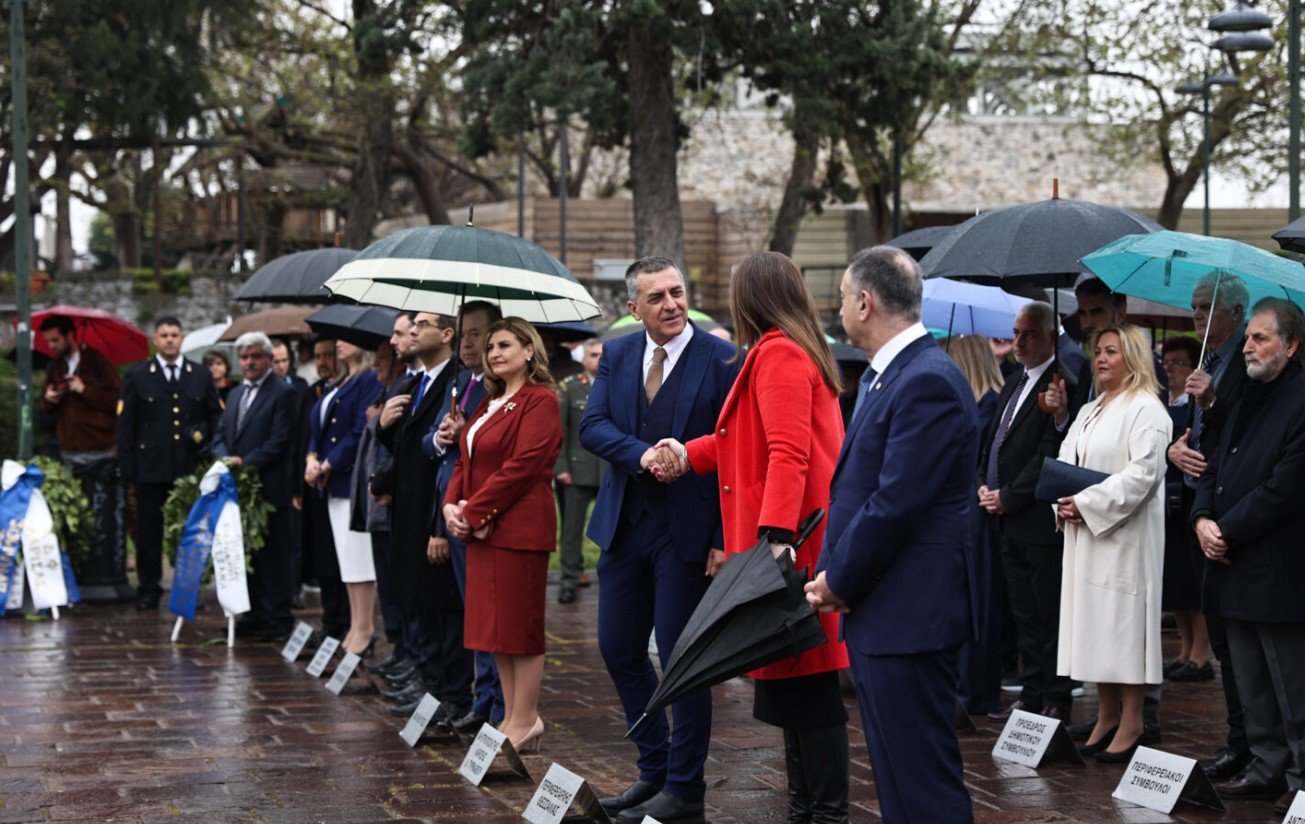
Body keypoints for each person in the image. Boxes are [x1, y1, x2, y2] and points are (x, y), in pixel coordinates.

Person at [656, 251, 851, 823]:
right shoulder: (777, 350)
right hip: (784, 542)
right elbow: (742, 439)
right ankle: (805, 809)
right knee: (793, 686)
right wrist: (686, 454)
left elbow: (789, 452)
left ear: (752, 298)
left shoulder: (782, 354)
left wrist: (774, 537)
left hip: (788, 546)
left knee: (809, 688)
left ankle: (826, 813)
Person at [805, 246, 976, 824]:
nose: (839, 311)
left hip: (909, 611)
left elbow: (895, 503)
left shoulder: (927, 380)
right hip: (884, 609)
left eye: (843, 297)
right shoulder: (890, 376)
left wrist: (839, 578)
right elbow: (856, 491)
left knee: (923, 779)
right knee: (895, 775)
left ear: (865, 301)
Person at [580, 256, 740, 824]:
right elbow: (593, 426)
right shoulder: (618, 354)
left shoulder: (723, 358)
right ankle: (653, 769)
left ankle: (685, 789)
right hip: (625, 527)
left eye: (677, 292)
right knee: (619, 648)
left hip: (689, 534)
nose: (671, 304)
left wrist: (724, 536)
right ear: (633, 308)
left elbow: (735, 447)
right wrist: (642, 454)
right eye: (657, 297)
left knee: (681, 661)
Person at [1191, 298, 1305, 816]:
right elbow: (1214, 467)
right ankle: (1265, 766)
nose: (1249, 347)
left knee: (1291, 685)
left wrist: (1225, 529)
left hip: (1276, 567)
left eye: (1261, 338)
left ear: (1292, 344)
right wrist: (1201, 519)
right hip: (1231, 564)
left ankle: (1300, 778)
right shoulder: (1245, 398)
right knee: (1250, 682)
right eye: (1249, 338)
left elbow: (1284, 488)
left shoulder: (1301, 399)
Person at [1043, 324, 1171, 762]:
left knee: (1124, 629)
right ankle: (1107, 713)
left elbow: (1142, 477)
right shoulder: (1091, 408)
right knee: (1095, 629)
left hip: (1124, 540)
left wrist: (1087, 503)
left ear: (1133, 356)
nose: (1100, 358)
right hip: (1085, 537)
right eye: (1097, 350)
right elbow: (1065, 460)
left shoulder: (1148, 410)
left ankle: (1133, 719)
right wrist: (1061, 502)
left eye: (1111, 351)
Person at [443, 318, 563, 752]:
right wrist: (451, 507)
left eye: (505, 344)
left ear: (529, 350)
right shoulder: (489, 401)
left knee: (521, 627)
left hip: (519, 529)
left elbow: (524, 466)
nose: (494, 353)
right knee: (496, 630)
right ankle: (510, 716)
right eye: (490, 346)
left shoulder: (541, 401)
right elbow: (464, 459)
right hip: (482, 530)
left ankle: (526, 719)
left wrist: (474, 511)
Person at [1166, 272, 1252, 782]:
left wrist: (1211, 403)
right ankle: (1240, 740)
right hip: (1200, 503)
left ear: (1235, 313)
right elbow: (1198, 436)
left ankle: (1251, 744)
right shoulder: (1209, 360)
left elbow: (1242, 430)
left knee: (1237, 641)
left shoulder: (1243, 362)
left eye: (1207, 306)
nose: (1196, 314)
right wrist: (1178, 448)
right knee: (1222, 638)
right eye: (1194, 306)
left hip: (1231, 510)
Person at [978, 303, 1080, 724]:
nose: (1019, 342)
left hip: (1039, 517)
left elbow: (1049, 454)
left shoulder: (1064, 382)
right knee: (1022, 611)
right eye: (1017, 333)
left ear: (1051, 338)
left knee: (1048, 611)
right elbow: (996, 441)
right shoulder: (1014, 380)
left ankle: (1056, 695)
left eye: (1030, 334)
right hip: (1006, 517)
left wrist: (1010, 495)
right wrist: (983, 482)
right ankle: (1032, 691)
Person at [375, 312, 472, 720]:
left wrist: (437, 525)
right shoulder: (416, 381)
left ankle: (450, 694)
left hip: (435, 511)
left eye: (423, 324)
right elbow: (405, 445)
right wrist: (383, 426)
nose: (412, 331)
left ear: (448, 334)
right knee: (419, 605)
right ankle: (429, 686)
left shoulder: (459, 381)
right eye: (411, 325)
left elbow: (450, 461)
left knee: (442, 608)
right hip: (408, 510)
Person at [424, 300, 505, 733]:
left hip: (480, 510)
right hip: (452, 508)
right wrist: (441, 437)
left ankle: (493, 699)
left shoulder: (495, 389)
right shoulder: (460, 383)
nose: (469, 343)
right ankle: (483, 693)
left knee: (487, 611)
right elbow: (429, 445)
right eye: (464, 334)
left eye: (478, 334)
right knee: (471, 610)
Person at [117, 317, 223, 610]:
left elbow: (215, 416)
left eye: (174, 334)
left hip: (188, 468)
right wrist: (127, 469)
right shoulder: (138, 376)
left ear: (183, 337)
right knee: (149, 533)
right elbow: (126, 424)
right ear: (155, 338)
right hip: (149, 468)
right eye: (164, 335)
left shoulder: (199, 375)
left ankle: (188, 589)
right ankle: (149, 588)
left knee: (188, 531)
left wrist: (206, 443)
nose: (169, 340)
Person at [211, 332, 298, 641]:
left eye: (255, 357)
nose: (249, 362)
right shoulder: (234, 394)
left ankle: (278, 616)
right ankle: (255, 614)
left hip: (269, 488)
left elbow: (279, 440)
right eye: (244, 357)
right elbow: (220, 432)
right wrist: (223, 459)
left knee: (274, 554)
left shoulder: (282, 393)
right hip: (237, 489)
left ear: (268, 359)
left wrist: (244, 463)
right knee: (246, 552)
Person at [945, 333, 1009, 717]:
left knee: (979, 600)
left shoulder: (988, 407)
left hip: (977, 509)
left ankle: (977, 689)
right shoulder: (972, 405)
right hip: (962, 508)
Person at [306, 340, 382, 657]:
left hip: (350, 478)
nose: (338, 344)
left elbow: (358, 431)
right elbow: (320, 425)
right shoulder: (342, 380)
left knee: (359, 558)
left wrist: (327, 462)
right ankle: (355, 625)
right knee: (347, 561)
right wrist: (312, 455)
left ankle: (364, 627)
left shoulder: (367, 379)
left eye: (346, 339)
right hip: (332, 482)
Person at [1158, 335, 1211, 683]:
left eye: (1179, 362)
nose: (1170, 368)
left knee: (1195, 583)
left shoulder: (1196, 402)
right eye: (1167, 361)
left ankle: (1200, 654)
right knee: (1175, 581)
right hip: (1167, 499)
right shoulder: (1160, 400)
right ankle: (1183, 649)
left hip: (1189, 496)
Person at [555, 338, 605, 604]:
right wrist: (561, 467)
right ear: (584, 359)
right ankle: (569, 579)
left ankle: (610, 580)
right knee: (572, 530)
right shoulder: (570, 387)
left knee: (613, 529)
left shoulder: (618, 385)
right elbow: (560, 430)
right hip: (577, 469)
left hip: (609, 469)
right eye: (593, 354)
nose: (598, 359)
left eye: (602, 354)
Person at [40, 314, 120, 456]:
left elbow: (117, 400)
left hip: (100, 448)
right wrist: (49, 399)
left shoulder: (97, 361)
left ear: (69, 335)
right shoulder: (54, 367)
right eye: (48, 341)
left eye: (55, 340)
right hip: (67, 449)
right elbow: (44, 410)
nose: (51, 346)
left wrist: (84, 389)